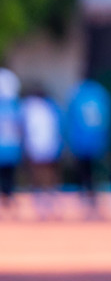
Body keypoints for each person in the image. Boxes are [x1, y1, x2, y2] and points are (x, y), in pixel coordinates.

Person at [63, 78, 111, 215]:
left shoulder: (78, 94)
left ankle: (86, 198)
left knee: (84, 171)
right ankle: (94, 198)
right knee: (95, 172)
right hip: (96, 141)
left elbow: (71, 119)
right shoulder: (99, 94)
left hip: (81, 142)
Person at [21, 89, 62, 219]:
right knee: (47, 172)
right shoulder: (49, 106)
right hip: (47, 144)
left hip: (37, 144)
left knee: (38, 172)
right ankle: (48, 199)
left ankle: (41, 199)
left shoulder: (29, 106)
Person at [0, 69, 21, 213]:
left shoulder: (14, 107)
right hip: (12, 149)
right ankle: (8, 198)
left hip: (6, 149)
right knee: (10, 177)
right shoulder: (16, 107)